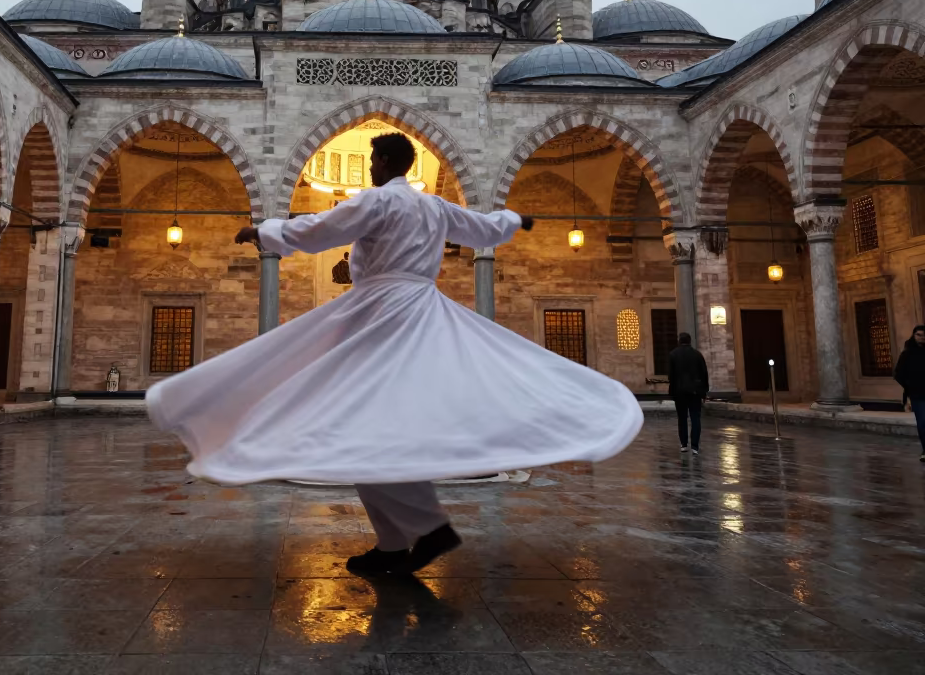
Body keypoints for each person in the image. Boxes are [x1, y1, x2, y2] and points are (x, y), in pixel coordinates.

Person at [146, 133, 643, 575]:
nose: (369, 167)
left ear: (384, 162)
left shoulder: (378, 202)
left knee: (363, 423)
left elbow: (322, 228)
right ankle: (402, 540)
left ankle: (418, 533)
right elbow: (483, 229)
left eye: (372, 159)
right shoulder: (433, 207)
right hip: (424, 310)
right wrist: (517, 219)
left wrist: (264, 231)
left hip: (382, 312)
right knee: (374, 426)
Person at [668, 332, 708, 455]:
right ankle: (695, 446)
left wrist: (673, 391)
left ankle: (684, 444)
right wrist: (704, 392)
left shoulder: (673, 355)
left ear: (679, 340)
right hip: (695, 392)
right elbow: (704, 374)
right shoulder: (697, 355)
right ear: (690, 341)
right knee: (695, 418)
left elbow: (671, 376)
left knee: (682, 418)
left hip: (679, 392)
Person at [893, 325, 925, 462]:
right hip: (917, 394)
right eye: (919, 335)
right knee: (923, 422)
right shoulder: (907, 354)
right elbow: (898, 374)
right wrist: (909, 386)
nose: (922, 338)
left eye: (924, 335)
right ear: (914, 335)